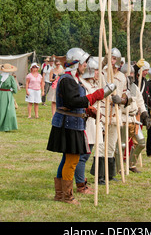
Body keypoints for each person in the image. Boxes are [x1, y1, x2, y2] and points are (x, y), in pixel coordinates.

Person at [46, 47, 116, 204]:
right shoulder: (67, 79)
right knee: (71, 161)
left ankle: (60, 194)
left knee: (67, 160)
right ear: (76, 63)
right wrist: (97, 96)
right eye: (84, 63)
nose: (86, 65)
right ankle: (66, 195)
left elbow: (76, 101)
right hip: (69, 125)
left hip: (73, 123)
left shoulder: (73, 79)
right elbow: (72, 102)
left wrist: (88, 109)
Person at [91, 47, 127, 185]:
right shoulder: (102, 73)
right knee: (100, 144)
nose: (113, 61)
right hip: (102, 111)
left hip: (115, 113)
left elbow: (125, 94)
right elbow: (96, 71)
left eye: (114, 58)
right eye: (111, 58)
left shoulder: (122, 77)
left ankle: (109, 174)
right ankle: (99, 175)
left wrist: (121, 99)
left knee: (111, 145)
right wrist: (103, 61)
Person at [74, 57, 104, 195]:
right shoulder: (82, 85)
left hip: (94, 123)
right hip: (86, 123)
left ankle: (82, 181)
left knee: (86, 155)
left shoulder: (93, 84)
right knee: (83, 156)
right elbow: (84, 103)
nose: (98, 72)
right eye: (96, 70)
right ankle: (80, 185)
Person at [119, 63, 151, 173]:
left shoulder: (134, 87)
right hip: (122, 118)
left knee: (141, 142)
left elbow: (140, 102)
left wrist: (145, 115)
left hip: (134, 118)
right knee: (122, 145)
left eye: (132, 73)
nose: (131, 75)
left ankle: (131, 164)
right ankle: (119, 168)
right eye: (129, 73)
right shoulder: (119, 86)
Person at [0, 63, 18, 132]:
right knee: (9, 110)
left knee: (0, 110)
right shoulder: (10, 78)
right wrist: (12, 91)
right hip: (8, 95)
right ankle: (7, 126)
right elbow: (15, 88)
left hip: (0, 94)